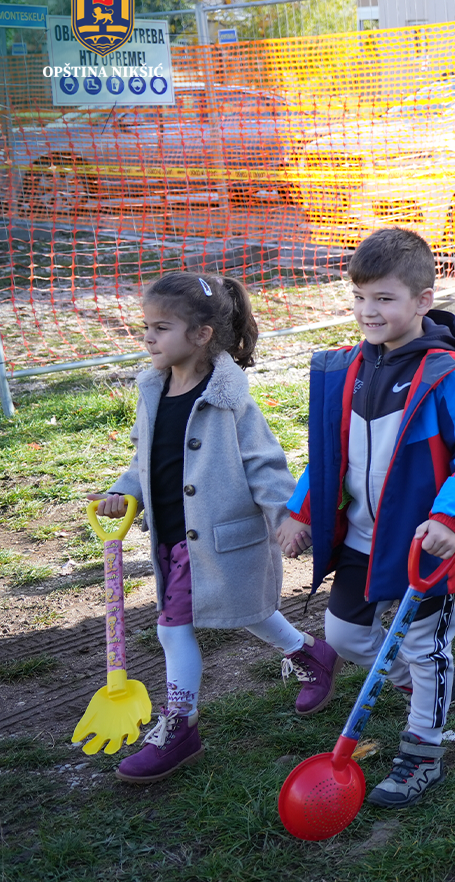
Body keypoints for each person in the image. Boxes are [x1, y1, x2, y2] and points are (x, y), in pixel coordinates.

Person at [282, 228, 455, 809]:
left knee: (426, 646)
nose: (367, 311)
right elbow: (330, 454)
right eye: (359, 298)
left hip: (425, 545)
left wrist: (449, 519)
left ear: (422, 301)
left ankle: (423, 751)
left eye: (383, 299)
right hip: (360, 540)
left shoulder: (447, 375)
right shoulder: (348, 369)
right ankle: (414, 688)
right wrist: (301, 510)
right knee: (346, 635)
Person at [91, 273, 328, 784]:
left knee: (173, 628)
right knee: (246, 611)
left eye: (162, 328)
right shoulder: (153, 388)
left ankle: (181, 725)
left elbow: (265, 464)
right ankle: (310, 652)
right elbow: (145, 458)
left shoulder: (228, 399)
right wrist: (122, 490)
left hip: (224, 537)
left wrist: (287, 517)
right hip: (174, 536)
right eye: (146, 328)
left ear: (201, 335)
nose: (149, 338)